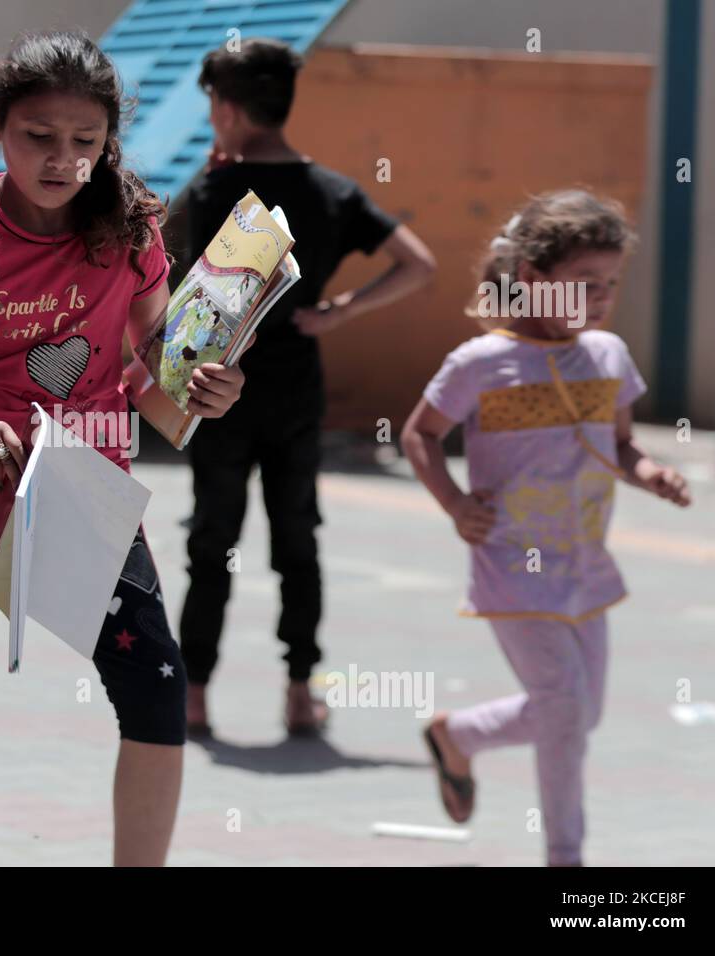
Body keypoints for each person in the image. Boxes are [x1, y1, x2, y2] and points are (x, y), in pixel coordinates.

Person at [0, 30, 249, 867]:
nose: (62, 159)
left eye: (85, 141)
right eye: (39, 136)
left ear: (109, 141)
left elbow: (153, 371)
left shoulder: (133, 228)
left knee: (154, 694)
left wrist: (205, 393)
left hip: (87, 502)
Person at [401, 189, 691, 866]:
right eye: (584, 284)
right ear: (532, 279)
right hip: (510, 565)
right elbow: (419, 434)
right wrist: (453, 503)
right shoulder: (480, 363)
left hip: (587, 566)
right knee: (563, 711)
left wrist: (652, 473)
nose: (600, 299)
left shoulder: (610, 356)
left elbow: (620, 446)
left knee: (582, 715)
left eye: (611, 284)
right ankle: (567, 858)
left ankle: (458, 736)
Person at [179, 38, 436, 735]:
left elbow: (174, 289)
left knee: (212, 540)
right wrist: (340, 311)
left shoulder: (210, 191)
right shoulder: (333, 191)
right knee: (298, 543)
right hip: (297, 394)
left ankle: (193, 692)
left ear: (227, 109)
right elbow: (419, 264)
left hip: (216, 393)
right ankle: (300, 691)